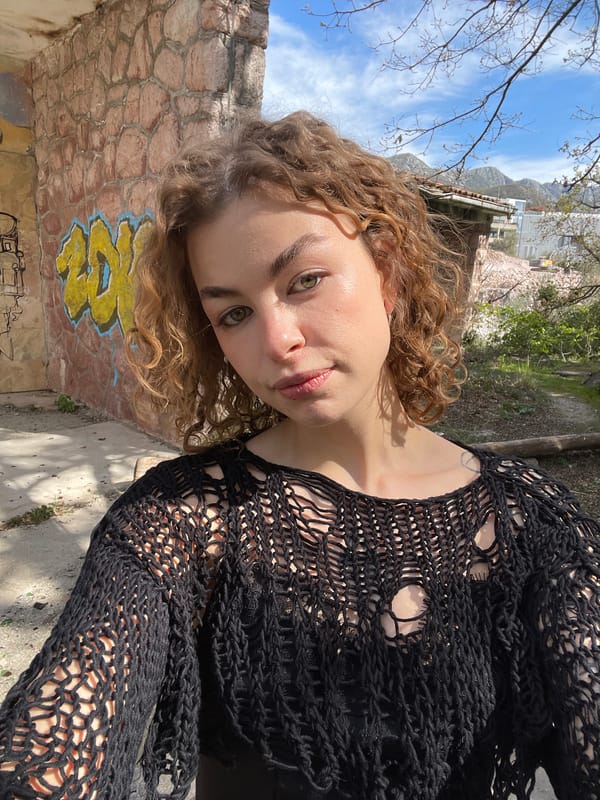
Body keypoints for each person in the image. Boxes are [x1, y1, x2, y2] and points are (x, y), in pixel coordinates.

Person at [0, 111, 598, 800]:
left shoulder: (532, 524)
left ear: (387, 272)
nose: (276, 339)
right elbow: (55, 739)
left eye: (305, 280)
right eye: (234, 314)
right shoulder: (183, 519)